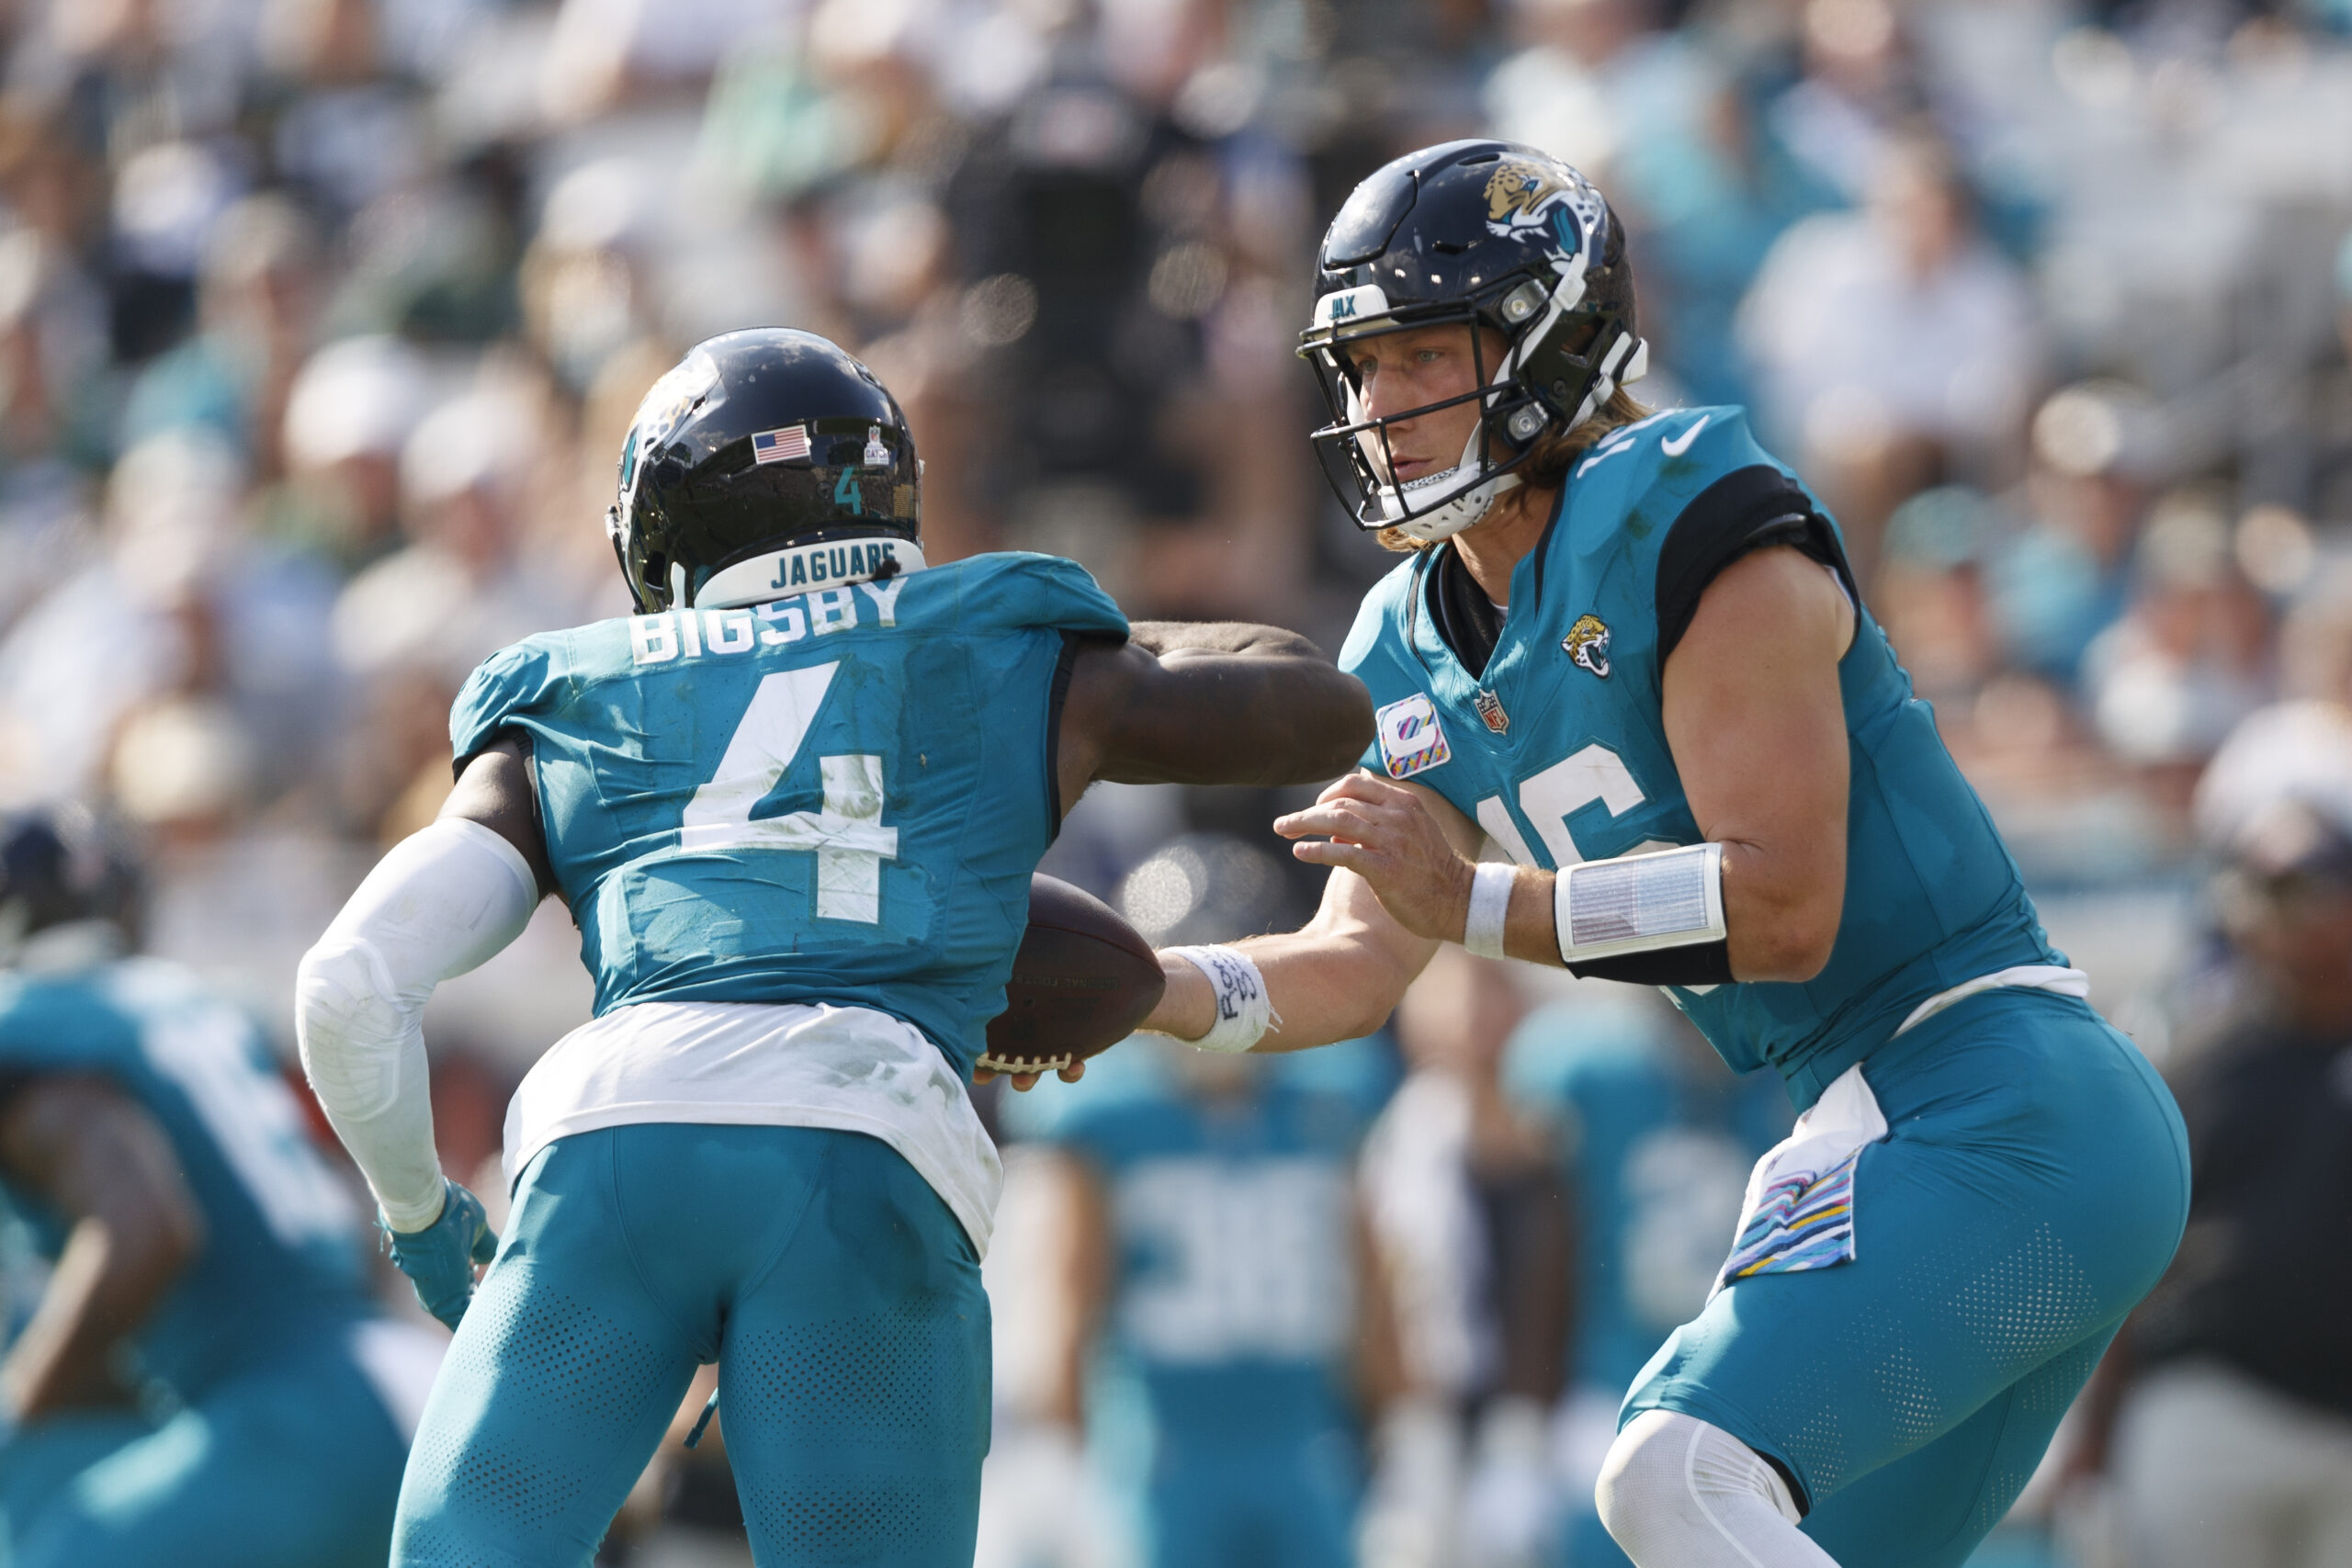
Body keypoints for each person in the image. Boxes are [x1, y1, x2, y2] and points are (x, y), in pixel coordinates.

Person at [1136, 140, 2188, 1568]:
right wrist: (1137, 985)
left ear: (1548, 340)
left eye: (1419, 356)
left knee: (1672, 1472)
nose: (1379, 409)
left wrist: (1482, 900)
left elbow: (1782, 905)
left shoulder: (1691, 517)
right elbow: (1350, 963)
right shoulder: (1402, 639)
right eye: (1361, 370)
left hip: (2002, 1090)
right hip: (1866, 1114)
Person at [291, 327, 1373, 1567]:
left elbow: (351, 981)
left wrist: (424, 1220)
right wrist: (1042, 645)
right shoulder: (993, 635)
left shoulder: (567, 687)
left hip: (611, 1138)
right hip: (868, 1129)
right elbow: (1312, 702)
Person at [0, 810, 439, 1567]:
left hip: (297, 1427)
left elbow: (145, 1229)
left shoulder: (40, 1036)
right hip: (403, 1379)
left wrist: (21, 1398)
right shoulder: (191, 1008)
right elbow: (350, 1214)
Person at [2064, 798, 2352, 1568]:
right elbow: (2132, 1261)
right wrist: (2095, 1439)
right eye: (2254, 889)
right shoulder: (2193, 1065)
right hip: (2213, 1405)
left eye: (2303, 885)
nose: (2277, 913)